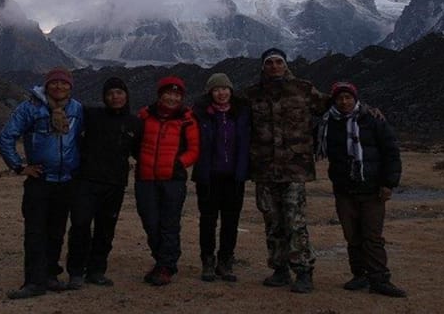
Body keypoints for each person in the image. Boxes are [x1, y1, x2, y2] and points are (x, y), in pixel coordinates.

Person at [246, 47, 330, 293]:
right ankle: (279, 269)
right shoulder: (252, 95)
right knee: (272, 222)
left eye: (278, 62)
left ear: (285, 64)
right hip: (265, 169)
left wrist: (365, 111)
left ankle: (303, 271)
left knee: (295, 221)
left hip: (295, 169)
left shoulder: (303, 89)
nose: (274, 66)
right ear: (263, 66)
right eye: (269, 62)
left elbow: (333, 106)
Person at [0, 67, 84, 300]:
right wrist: (19, 166)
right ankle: (34, 281)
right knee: (35, 232)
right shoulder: (30, 108)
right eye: (54, 83)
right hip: (40, 181)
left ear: (70, 87)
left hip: (66, 182)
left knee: (56, 232)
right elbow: (5, 137)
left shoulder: (76, 109)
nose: (59, 87)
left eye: (64, 83)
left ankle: (50, 276)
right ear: (47, 85)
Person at [316, 82, 406, 298]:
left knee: (372, 236)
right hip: (344, 189)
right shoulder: (328, 122)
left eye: (348, 97)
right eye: (340, 98)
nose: (344, 102)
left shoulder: (373, 120)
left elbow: (391, 152)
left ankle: (379, 279)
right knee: (352, 235)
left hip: (372, 188)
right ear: (334, 100)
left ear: (355, 98)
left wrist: (388, 183)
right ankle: (360, 275)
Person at [65, 77, 143, 289]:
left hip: (115, 184)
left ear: (126, 95)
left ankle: (97, 271)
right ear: (104, 97)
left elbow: (139, 152)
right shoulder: (92, 115)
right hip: (86, 181)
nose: (114, 97)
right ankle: (75, 271)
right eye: (110, 93)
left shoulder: (135, 123)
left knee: (105, 229)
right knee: (80, 225)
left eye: (119, 92)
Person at [135, 75, 200, 286]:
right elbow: (134, 142)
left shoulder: (187, 119)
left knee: (169, 224)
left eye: (176, 94)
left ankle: (166, 266)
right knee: (151, 222)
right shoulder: (145, 115)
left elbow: (194, 149)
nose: (172, 98)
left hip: (173, 180)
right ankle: (161, 260)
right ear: (160, 95)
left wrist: (179, 164)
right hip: (145, 179)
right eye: (168, 93)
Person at [192, 72, 251, 282]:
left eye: (224, 88)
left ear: (231, 91)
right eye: (216, 89)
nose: (221, 93)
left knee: (230, 221)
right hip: (208, 177)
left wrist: (243, 171)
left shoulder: (241, 113)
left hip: (234, 177)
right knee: (208, 221)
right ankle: (207, 261)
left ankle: (225, 261)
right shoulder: (200, 113)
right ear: (210, 93)